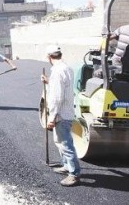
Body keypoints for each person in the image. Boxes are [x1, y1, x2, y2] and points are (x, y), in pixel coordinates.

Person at [41, 45, 81, 187]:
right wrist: (48, 81)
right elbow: (62, 88)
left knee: (65, 144)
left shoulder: (57, 71)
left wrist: (51, 118)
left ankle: (74, 174)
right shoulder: (67, 68)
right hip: (67, 111)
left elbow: (57, 97)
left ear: (49, 57)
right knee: (61, 142)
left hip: (60, 114)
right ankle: (66, 165)